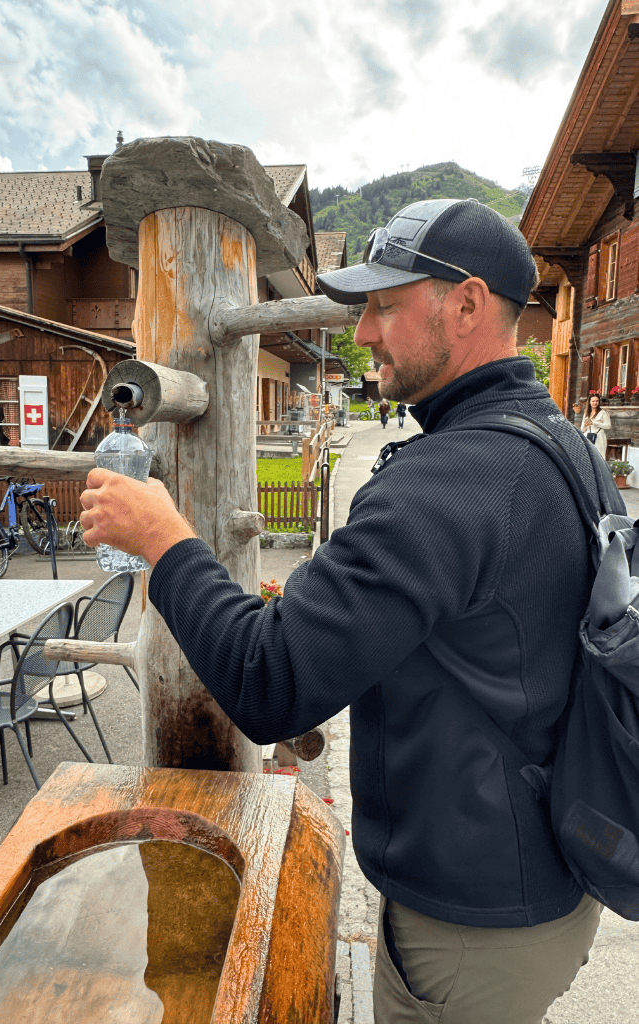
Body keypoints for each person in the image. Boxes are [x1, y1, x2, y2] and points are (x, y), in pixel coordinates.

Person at [80, 197, 606, 1024]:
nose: (360, 332)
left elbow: (269, 685)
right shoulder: (554, 442)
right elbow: (495, 627)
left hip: (468, 925)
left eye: (384, 307)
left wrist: (166, 542)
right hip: (546, 876)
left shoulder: (447, 478)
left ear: (466, 305)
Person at [581, 392, 611, 459]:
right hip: (588, 436)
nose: (595, 403)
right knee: (588, 457)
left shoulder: (603, 412)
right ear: (589, 402)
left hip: (599, 437)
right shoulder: (586, 413)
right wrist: (585, 424)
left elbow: (608, 426)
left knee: (599, 457)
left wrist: (595, 423)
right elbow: (582, 429)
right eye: (593, 401)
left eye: (597, 401)